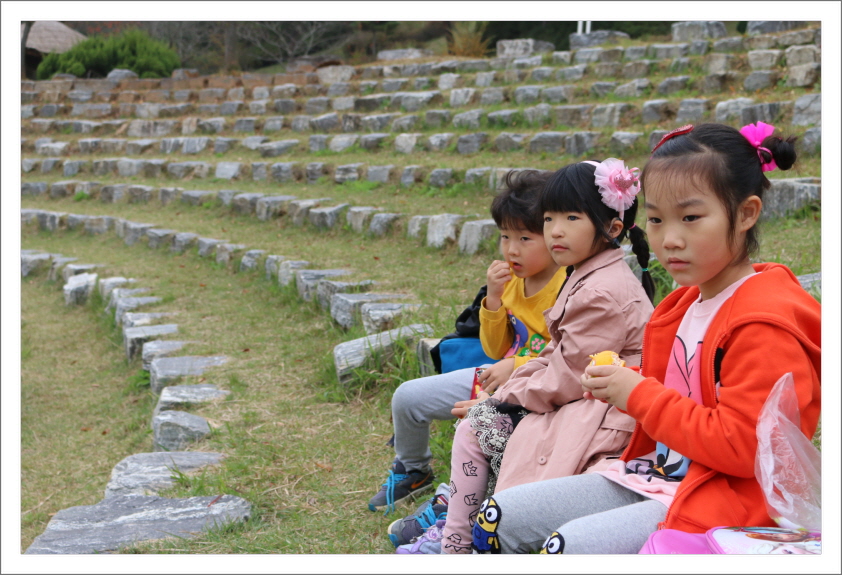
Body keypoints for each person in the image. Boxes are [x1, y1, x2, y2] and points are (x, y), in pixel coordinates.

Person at [470, 122, 821, 554]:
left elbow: (743, 448)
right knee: (495, 517)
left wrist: (638, 394)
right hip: (655, 474)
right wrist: (621, 382)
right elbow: (685, 392)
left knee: (568, 546)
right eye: (656, 219)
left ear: (747, 213)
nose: (669, 239)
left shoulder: (764, 321)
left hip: (726, 497)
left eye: (691, 218)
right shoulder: (685, 304)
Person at [397, 158, 656, 554]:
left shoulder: (600, 290)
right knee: (483, 423)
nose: (555, 230)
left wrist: (503, 398)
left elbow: (566, 377)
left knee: (480, 426)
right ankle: (457, 529)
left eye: (571, 217)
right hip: (582, 400)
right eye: (549, 218)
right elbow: (553, 354)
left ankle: (457, 541)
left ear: (613, 228)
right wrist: (509, 388)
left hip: (601, 414)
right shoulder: (586, 275)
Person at [368, 170, 566, 525]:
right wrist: (492, 301)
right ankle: (414, 470)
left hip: (535, 391)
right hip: (497, 375)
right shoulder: (512, 282)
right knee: (407, 398)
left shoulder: (570, 286)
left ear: (555, 236)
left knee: (477, 429)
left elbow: (567, 359)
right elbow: (495, 347)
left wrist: (518, 365)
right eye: (505, 236)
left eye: (525, 237)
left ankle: (454, 502)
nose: (511, 249)